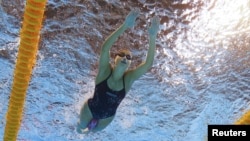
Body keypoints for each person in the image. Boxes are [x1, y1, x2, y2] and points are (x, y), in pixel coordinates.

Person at [77, 9, 160, 134]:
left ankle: (89, 131)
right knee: (80, 128)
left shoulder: (128, 79)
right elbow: (105, 48)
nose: (125, 58)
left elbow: (148, 64)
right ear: (115, 59)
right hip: (90, 109)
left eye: (128, 57)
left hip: (107, 118)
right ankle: (80, 130)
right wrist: (125, 26)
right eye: (122, 55)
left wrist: (153, 37)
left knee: (92, 133)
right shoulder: (105, 72)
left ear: (129, 64)